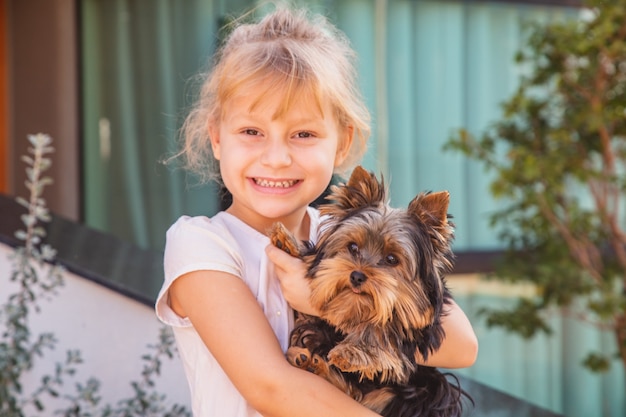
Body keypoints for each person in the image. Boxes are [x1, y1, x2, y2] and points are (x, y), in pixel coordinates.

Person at [155, 5, 478, 417]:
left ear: (342, 144)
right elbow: (272, 388)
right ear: (216, 136)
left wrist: (319, 301)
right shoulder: (202, 246)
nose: (276, 158)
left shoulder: (343, 234)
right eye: (251, 132)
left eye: (303, 134)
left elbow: (462, 345)